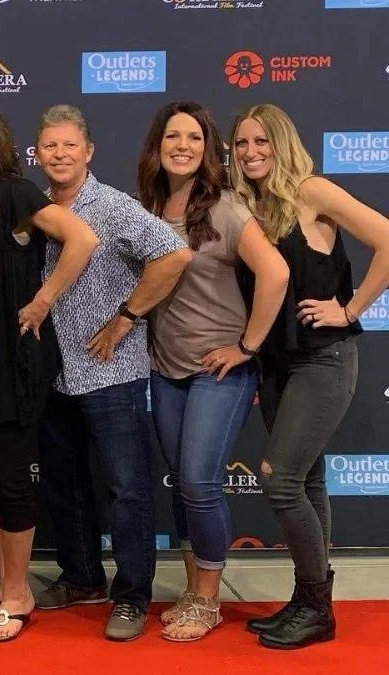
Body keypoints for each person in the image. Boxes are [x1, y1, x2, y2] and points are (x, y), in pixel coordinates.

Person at [230, 103, 389, 649]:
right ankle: (308, 599)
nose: (250, 152)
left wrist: (349, 310)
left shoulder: (311, 191)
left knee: (281, 481)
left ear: (282, 143)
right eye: (241, 143)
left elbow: (388, 238)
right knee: (310, 481)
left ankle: (316, 604)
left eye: (261, 142)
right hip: (276, 364)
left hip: (325, 357)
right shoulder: (249, 205)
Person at [31, 104, 191, 643]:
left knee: (126, 489)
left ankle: (132, 595)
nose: (59, 154)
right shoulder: (35, 207)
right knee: (66, 485)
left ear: (89, 152)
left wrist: (127, 318)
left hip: (111, 371)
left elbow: (172, 254)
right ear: (37, 153)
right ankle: (81, 580)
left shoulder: (113, 206)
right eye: (50, 146)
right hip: (54, 372)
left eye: (69, 145)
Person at [0, 101, 98, 642]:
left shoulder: (16, 194)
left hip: (13, 365)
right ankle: (4, 586)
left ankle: (18, 592)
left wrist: (43, 300)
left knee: (9, 476)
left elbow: (83, 240)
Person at [137, 101, 289, 642]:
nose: (182, 146)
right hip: (165, 367)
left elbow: (276, 272)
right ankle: (190, 586)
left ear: (208, 150)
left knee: (200, 482)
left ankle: (208, 598)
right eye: (173, 136)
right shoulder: (148, 208)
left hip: (216, 371)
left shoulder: (224, 207)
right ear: (157, 146)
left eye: (194, 138)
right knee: (182, 484)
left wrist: (248, 345)